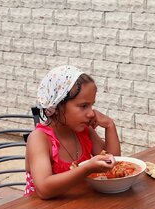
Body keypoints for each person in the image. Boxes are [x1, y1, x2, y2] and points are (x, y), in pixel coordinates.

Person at [25, 65, 121, 199]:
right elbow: (44, 189)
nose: (91, 113)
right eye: (83, 106)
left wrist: (110, 125)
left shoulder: (84, 132)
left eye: (91, 105)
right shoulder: (39, 139)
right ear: (56, 105)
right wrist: (87, 168)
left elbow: (113, 162)